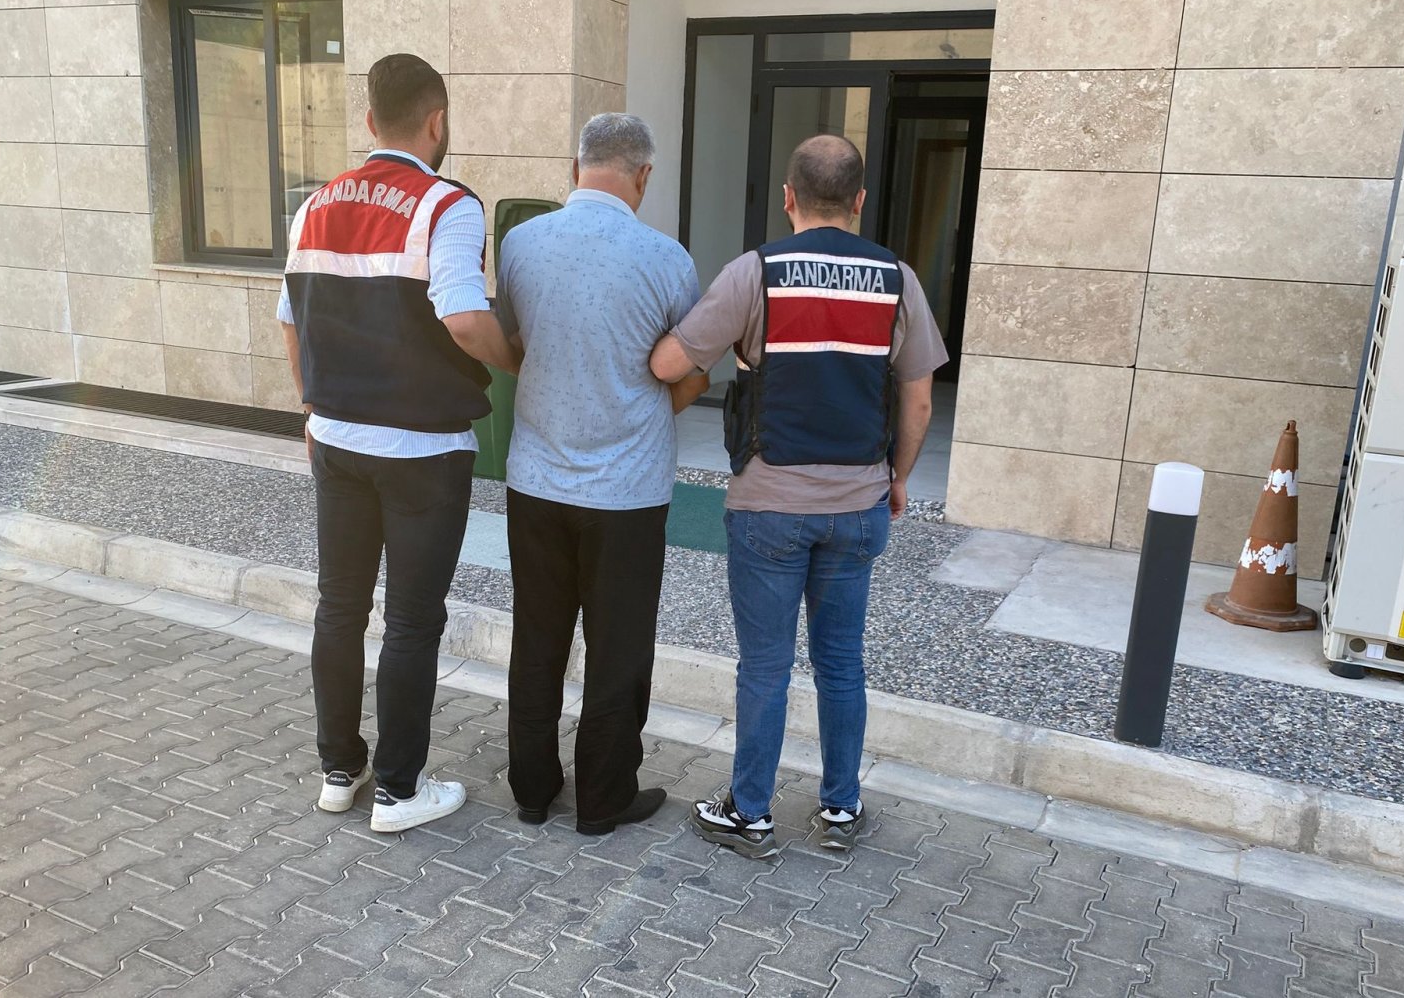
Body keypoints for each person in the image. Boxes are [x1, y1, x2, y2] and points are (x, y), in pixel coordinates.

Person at [650, 134, 945, 858]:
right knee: (842, 661)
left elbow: (669, 362)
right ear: (860, 201)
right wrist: (897, 478)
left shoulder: (757, 272)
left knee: (766, 665)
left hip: (769, 506)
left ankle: (750, 813)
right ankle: (841, 809)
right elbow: (919, 404)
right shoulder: (897, 279)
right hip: (858, 505)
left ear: (788, 198)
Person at [278, 53, 519, 833]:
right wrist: (520, 361)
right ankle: (399, 790)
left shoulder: (315, 203)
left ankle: (339, 770)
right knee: (414, 620)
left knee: (339, 606)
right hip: (421, 448)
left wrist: (311, 410)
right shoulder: (446, 204)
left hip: (336, 439)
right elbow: (462, 317)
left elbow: (290, 321)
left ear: (372, 120)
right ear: (437, 120)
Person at [496, 113, 708, 835]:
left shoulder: (520, 244)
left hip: (534, 480)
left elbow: (516, 340)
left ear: (577, 164)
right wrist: (651, 404)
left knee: (538, 638)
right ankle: (603, 799)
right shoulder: (668, 259)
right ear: (643, 175)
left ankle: (531, 788)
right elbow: (688, 376)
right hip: (628, 491)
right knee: (618, 651)